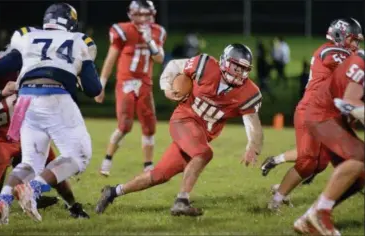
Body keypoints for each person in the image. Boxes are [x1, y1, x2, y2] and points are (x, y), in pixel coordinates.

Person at [95, 44, 264, 216]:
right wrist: (167, 88)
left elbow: (253, 122)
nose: (239, 73)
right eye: (236, 67)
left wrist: (253, 145)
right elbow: (174, 66)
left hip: (200, 135)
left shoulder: (248, 92)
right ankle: (181, 201)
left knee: (159, 175)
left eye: (244, 70)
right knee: (204, 154)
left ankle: (113, 192)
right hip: (184, 120)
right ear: (225, 61)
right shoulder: (205, 65)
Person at [0, 3, 101, 223]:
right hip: (54, 94)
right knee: (79, 155)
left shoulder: (27, 37)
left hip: (25, 100)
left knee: (30, 162)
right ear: (70, 22)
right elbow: (93, 89)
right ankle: (33, 189)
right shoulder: (79, 39)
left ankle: (2, 201)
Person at [266, 18, 363, 212]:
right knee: (308, 160)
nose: (356, 45)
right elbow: (348, 70)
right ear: (340, 36)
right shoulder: (332, 52)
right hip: (312, 111)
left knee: (319, 164)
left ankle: (281, 186)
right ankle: (276, 201)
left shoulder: (343, 54)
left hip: (328, 116)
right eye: (353, 40)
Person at [294, 50, 364, 235]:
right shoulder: (361, 62)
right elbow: (350, 100)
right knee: (360, 156)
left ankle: (309, 218)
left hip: (335, 117)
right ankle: (319, 213)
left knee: (359, 177)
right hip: (322, 113)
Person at [95, 0, 167, 176]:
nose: (143, 18)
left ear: (152, 14)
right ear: (132, 14)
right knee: (124, 125)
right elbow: (110, 59)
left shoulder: (157, 31)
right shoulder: (123, 30)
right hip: (126, 82)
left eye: (146, 14)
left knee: (149, 126)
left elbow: (159, 59)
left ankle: (148, 166)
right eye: (139, 14)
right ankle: (107, 160)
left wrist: (149, 40)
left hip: (144, 84)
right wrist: (101, 84)